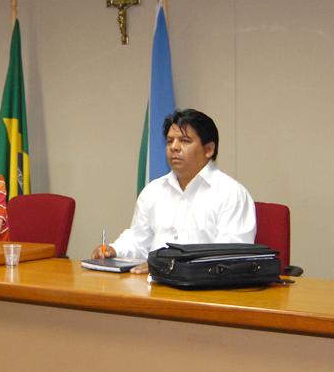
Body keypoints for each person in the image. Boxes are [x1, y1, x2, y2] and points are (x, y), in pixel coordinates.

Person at [91, 109, 256, 274]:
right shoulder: (153, 191)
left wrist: (169, 266)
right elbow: (138, 241)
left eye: (185, 140)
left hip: (207, 287)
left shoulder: (231, 194)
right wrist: (114, 250)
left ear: (209, 149)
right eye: (170, 141)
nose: (174, 147)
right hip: (153, 284)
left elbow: (229, 257)